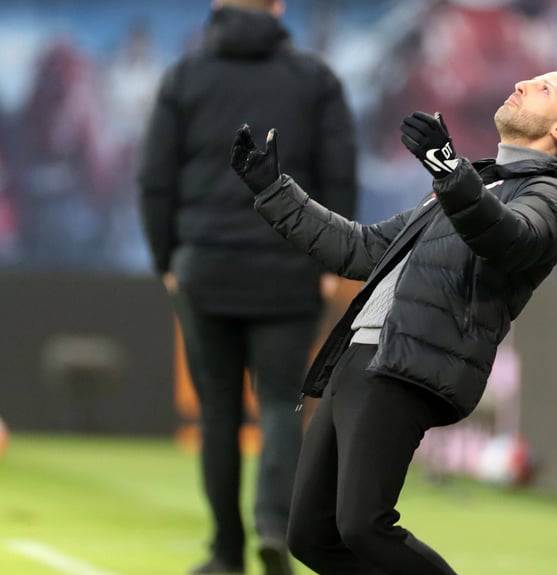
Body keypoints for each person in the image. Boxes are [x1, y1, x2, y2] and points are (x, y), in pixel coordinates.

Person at [230, 69, 557, 575]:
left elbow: (512, 240)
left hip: (409, 363)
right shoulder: (479, 181)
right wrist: (273, 190)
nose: (522, 85)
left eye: (544, 89)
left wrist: (449, 169)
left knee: (363, 525)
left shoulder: (553, 192)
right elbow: (363, 249)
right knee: (312, 538)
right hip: (360, 355)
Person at [137, 0, 358, 573]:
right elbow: (339, 172)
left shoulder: (185, 77)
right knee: (282, 402)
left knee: (218, 412)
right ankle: (273, 526)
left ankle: (225, 551)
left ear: (217, 5)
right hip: (289, 265)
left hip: (204, 265)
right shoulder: (315, 80)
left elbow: (155, 178)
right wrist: (332, 260)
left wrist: (166, 258)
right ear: (278, 7)